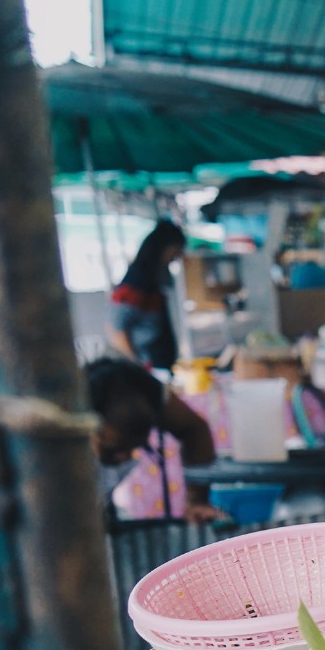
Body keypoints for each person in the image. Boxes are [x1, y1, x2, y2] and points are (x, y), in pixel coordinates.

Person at [87, 357, 226, 524]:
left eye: (134, 447)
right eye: (113, 449)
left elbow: (193, 429)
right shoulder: (62, 417)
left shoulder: (140, 387)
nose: (125, 458)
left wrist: (196, 501)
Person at [106, 220, 186, 369]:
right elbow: (117, 331)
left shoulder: (156, 282)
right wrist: (139, 371)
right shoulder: (135, 283)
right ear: (163, 248)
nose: (178, 256)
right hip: (147, 367)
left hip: (161, 365)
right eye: (176, 250)